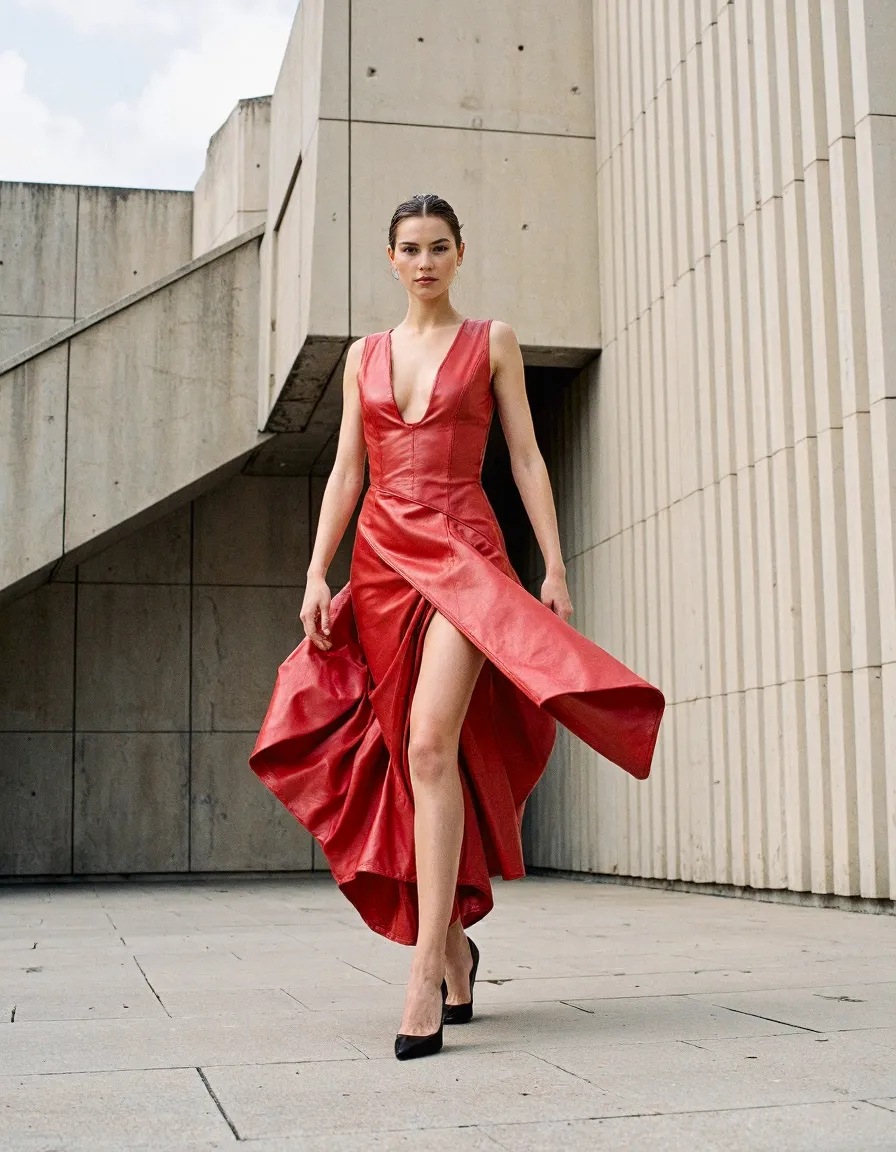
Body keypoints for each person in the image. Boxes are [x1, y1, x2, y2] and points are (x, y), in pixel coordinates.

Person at [249, 194, 665, 1061]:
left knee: (432, 745)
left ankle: (418, 979)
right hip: (378, 566)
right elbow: (344, 475)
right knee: (402, 757)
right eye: (411, 248)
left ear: (461, 254)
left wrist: (553, 565)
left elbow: (524, 457)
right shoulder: (365, 354)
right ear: (391, 258)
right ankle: (453, 950)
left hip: (466, 557)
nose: (426, 260)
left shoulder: (493, 342)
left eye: (440, 246)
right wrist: (316, 574)